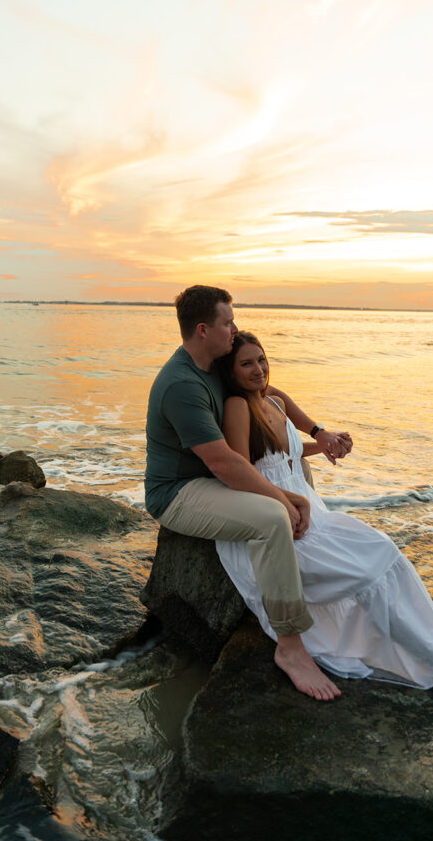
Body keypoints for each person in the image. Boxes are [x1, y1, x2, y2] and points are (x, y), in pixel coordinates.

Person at [213, 330, 433, 702]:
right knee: (368, 574)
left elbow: (285, 455)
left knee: (387, 554)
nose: (257, 369)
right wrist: (287, 501)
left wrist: (324, 444)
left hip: (311, 512)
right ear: (230, 372)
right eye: (245, 364)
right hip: (278, 521)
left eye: (261, 359)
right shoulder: (237, 405)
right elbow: (243, 471)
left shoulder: (274, 400)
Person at [145, 285, 353, 701]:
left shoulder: (214, 366)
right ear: (204, 329)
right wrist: (282, 497)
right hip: (179, 492)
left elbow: (271, 395)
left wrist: (317, 435)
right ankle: (291, 646)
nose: (234, 328)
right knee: (270, 518)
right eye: (228, 322)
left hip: (211, 477)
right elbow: (223, 462)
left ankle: (309, 558)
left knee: (298, 469)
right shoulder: (182, 384)